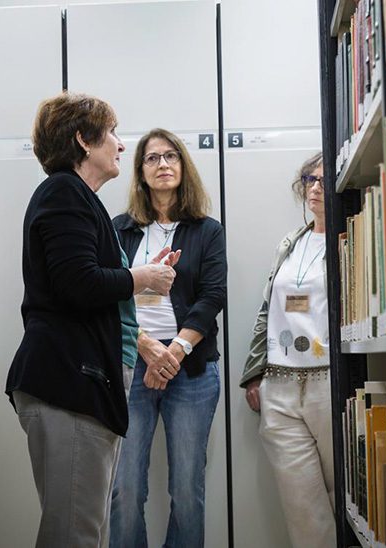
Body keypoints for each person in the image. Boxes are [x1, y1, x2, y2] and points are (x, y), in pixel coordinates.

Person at [5, 93, 178, 548]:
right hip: (69, 386)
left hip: (85, 386)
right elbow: (77, 284)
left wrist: (140, 279)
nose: (122, 145)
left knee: (85, 531)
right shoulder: (64, 191)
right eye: (114, 132)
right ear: (83, 139)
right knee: (74, 536)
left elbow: (89, 282)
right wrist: (140, 275)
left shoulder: (79, 197)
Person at [110, 128, 227, 548]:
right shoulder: (118, 230)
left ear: (183, 166)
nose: (163, 164)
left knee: (187, 493)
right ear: (140, 173)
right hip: (130, 365)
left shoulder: (206, 230)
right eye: (152, 158)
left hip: (191, 369)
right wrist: (147, 346)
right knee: (123, 490)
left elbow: (213, 296)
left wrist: (174, 351)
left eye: (171, 156)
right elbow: (106, 296)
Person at [239, 152, 337, 547]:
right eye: (309, 179)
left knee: (345, 496)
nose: (315, 188)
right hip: (278, 386)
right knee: (302, 509)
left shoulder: (352, 236)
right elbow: (269, 310)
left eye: (323, 179)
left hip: (328, 382)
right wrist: (254, 373)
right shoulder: (290, 245)